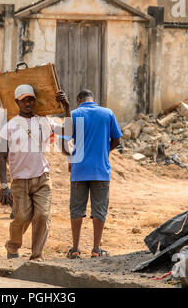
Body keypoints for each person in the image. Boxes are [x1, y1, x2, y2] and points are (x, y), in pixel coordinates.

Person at [0, 84, 70, 260]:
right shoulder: (9, 127)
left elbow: (68, 131)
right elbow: (1, 157)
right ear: (17, 102)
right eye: (24, 100)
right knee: (22, 217)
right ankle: (13, 247)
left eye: (31, 99)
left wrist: (67, 108)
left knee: (43, 215)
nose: (28, 103)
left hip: (42, 177)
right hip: (20, 181)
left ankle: (36, 256)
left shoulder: (44, 120)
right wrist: (3, 185)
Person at [64, 89, 122, 259]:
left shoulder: (74, 114)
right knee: (99, 210)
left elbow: (65, 139)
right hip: (100, 170)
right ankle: (96, 249)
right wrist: (105, 150)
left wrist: (70, 159)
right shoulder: (107, 113)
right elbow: (117, 140)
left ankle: (75, 249)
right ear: (93, 99)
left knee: (76, 209)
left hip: (79, 169)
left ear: (78, 100)